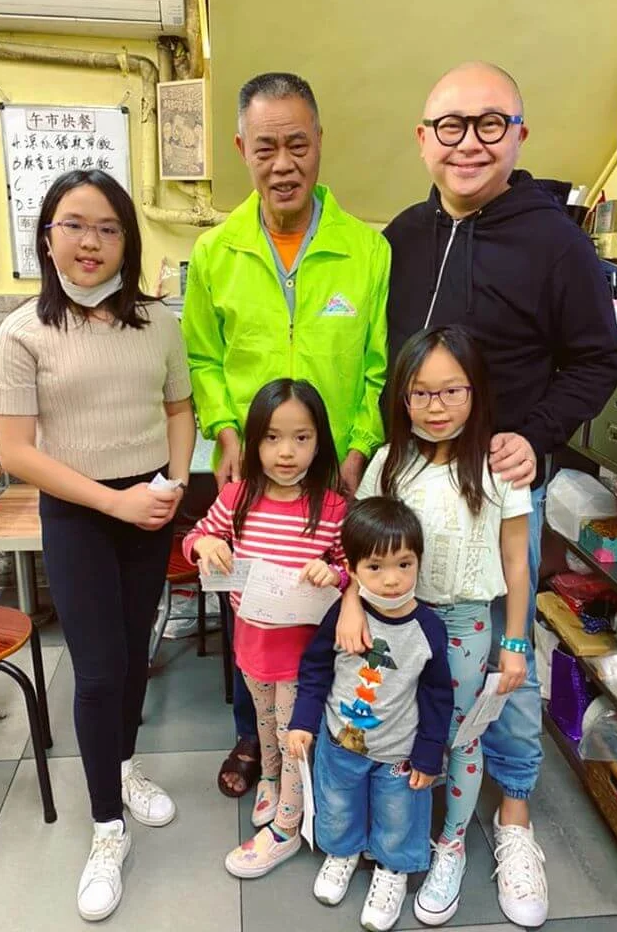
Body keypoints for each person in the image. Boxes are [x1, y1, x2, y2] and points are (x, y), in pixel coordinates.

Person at [348, 61, 617, 927]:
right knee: (408, 644)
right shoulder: (402, 236)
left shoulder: (555, 243)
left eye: (489, 123)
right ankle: (413, 795)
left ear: (519, 135)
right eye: (450, 125)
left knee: (507, 660)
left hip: (500, 493)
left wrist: (532, 435)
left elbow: (598, 359)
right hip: (409, 494)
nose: (468, 142)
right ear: (422, 139)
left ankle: (512, 819)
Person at [0, 169, 196, 922]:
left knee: (136, 653)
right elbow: (16, 451)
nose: (91, 241)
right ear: (47, 237)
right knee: (99, 670)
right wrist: (115, 501)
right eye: (73, 224)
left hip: (149, 507)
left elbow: (180, 408)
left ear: (127, 241)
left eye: (108, 228)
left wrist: (173, 483)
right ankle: (108, 826)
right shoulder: (23, 332)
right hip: (80, 515)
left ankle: (126, 765)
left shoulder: (157, 321)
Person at [182, 71, 390, 799]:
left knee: (331, 597)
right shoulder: (217, 252)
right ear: (243, 149)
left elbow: (377, 367)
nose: (283, 165)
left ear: (320, 143)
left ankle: (327, 735)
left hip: (335, 473)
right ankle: (254, 734)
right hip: (253, 474)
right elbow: (203, 358)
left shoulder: (366, 250)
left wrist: (357, 450)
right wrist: (223, 430)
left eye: (297, 145)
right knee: (254, 609)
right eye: (266, 148)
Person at [352, 326, 531, 925]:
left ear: (476, 391)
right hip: (392, 621)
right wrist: (352, 603)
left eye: (452, 391)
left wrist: (513, 643)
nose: (436, 407)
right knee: (392, 724)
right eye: (421, 393)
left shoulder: (500, 468)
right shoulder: (388, 463)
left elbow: (516, 562)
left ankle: (450, 844)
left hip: (462, 624)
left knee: (459, 735)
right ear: (402, 397)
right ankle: (395, 838)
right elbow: (360, 546)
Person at [182, 378, 347, 878]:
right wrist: (205, 545)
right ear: (254, 441)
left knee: (293, 732)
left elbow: (351, 568)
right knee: (264, 720)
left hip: (302, 653)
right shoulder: (237, 497)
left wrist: (334, 573)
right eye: (272, 438)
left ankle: (287, 828)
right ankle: (270, 781)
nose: (286, 452)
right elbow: (196, 536)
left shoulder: (332, 507)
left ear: (319, 441)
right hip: (251, 643)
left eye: (301, 437)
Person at [288, 497, 453, 932]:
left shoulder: (429, 629)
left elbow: (438, 696)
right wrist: (303, 721)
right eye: (376, 567)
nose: (392, 579)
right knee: (337, 804)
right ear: (353, 569)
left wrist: (429, 753)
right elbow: (316, 669)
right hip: (340, 741)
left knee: (399, 814)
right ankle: (342, 853)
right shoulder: (342, 617)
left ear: (419, 562)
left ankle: (392, 869)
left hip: (399, 752)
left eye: (404, 564)